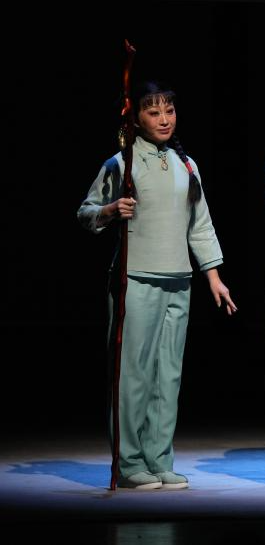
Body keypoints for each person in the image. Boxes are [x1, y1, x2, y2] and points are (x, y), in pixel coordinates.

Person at [78, 81, 237, 490]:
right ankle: (129, 462)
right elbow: (86, 212)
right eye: (153, 112)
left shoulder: (187, 165)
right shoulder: (122, 163)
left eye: (170, 111)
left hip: (179, 281)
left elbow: (200, 224)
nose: (164, 119)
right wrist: (111, 210)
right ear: (135, 119)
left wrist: (213, 277)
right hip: (135, 279)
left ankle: (158, 458)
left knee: (168, 375)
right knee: (133, 375)